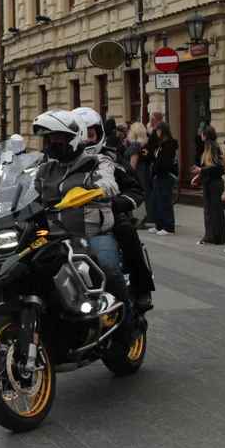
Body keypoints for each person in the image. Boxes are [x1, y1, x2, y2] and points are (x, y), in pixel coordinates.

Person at [33, 111, 141, 340]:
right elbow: (27, 194)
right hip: (55, 237)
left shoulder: (97, 161)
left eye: (58, 138)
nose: (53, 143)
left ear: (74, 136)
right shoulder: (44, 170)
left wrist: (93, 191)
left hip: (92, 233)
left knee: (107, 267)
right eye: (49, 138)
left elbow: (110, 184)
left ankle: (127, 323)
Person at [70, 108, 155, 309]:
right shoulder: (61, 162)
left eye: (90, 135)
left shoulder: (112, 158)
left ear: (99, 134)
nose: (87, 141)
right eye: (82, 136)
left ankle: (141, 286)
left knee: (126, 230)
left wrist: (115, 203)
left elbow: (135, 189)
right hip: (69, 217)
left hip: (107, 214)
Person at [191, 125, 225, 245]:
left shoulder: (214, 147)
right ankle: (210, 236)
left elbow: (216, 166)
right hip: (208, 181)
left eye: (202, 133)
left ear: (206, 135)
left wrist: (201, 171)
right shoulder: (206, 148)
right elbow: (206, 166)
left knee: (215, 210)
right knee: (209, 210)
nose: (200, 135)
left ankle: (217, 236)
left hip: (215, 182)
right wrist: (199, 176)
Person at [149, 121, 178, 235]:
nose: (156, 133)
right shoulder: (161, 144)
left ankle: (169, 226)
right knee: (155, 201)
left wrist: (156, 171)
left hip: (164, 176)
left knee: (164, 202)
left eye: (157, 130)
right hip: (159, 177)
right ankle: (159, 224)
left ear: (161, 131)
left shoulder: (167, 145)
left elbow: (164, 163)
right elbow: (157, 158)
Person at [125, 122, 153, 227]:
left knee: (138, 196)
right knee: (144, 196)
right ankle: (145, 218)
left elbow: (134, 163)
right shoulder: (143, 145)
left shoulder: (135, 145)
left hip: (137, 175)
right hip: (143, 174)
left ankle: (140, 218)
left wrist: (128, 176)